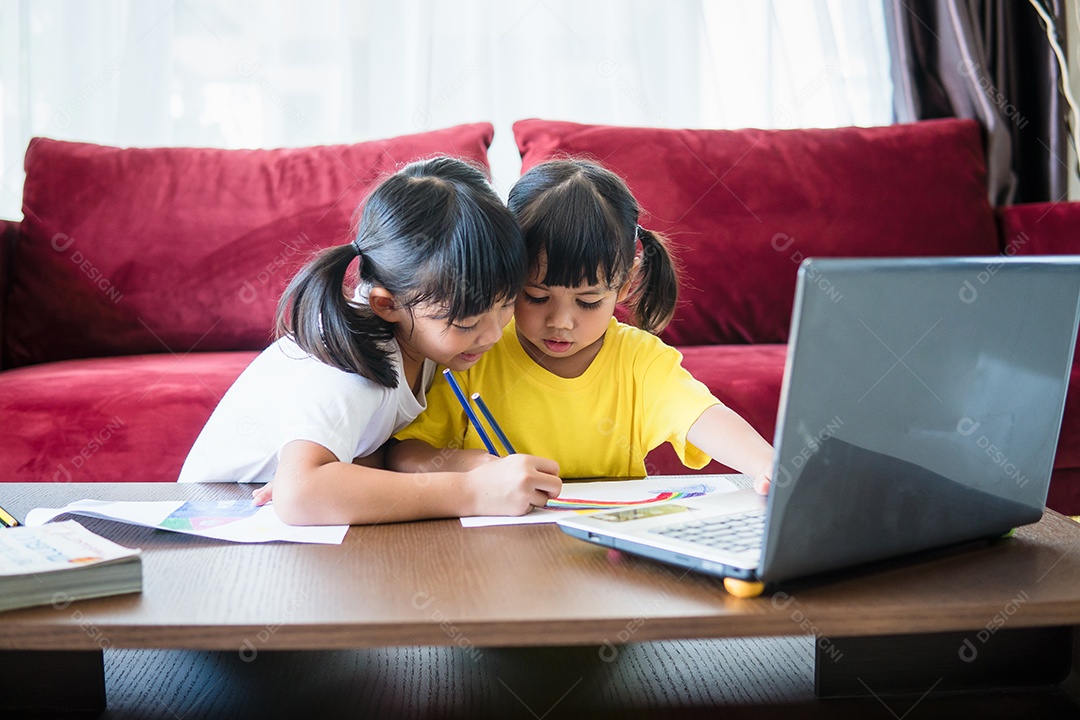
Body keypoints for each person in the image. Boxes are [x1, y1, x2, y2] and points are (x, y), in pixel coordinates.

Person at [178, 157, 562, 524]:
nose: (493, 334)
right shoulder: (353, 362)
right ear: (386, 304)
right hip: (217, 512)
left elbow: (368, 456)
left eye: (506, 304)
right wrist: (473, 492)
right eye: (466, 323)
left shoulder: (424, 334)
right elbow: (299, 495)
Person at [390, 159, 774, 493]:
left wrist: (767, 466)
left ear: (625, 284)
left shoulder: (639, 361)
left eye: (588, 302)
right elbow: (404, 455)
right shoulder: (477, 352)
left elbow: (704, 417)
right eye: (535, 297)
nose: (560, 322)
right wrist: (475, 466)